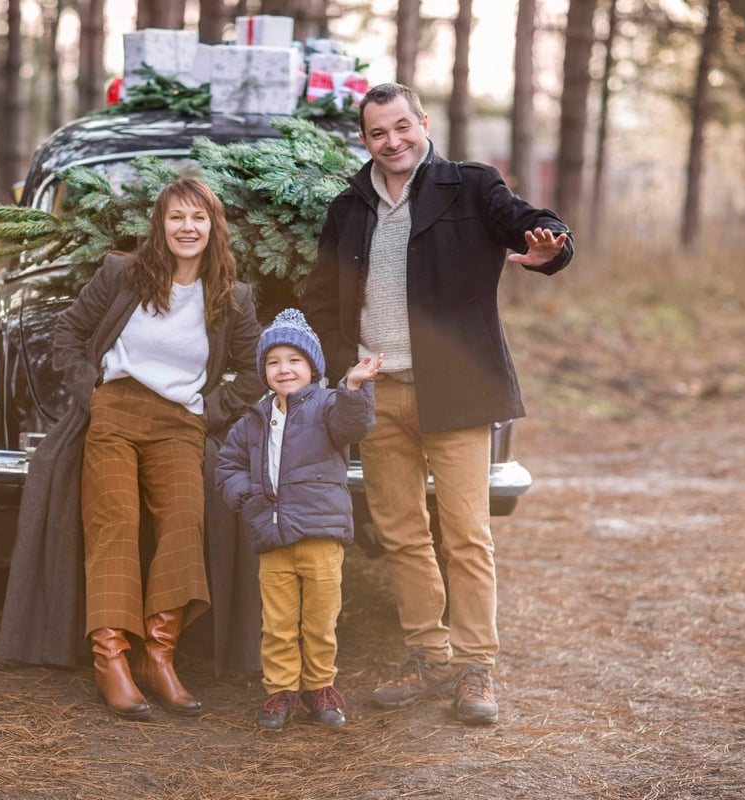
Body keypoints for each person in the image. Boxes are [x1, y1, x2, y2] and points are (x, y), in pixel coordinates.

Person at [302, 83, 574, 726]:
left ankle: (476, 667)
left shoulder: (471, 186)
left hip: (454, 391)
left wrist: (548, 248)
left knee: (466, 534)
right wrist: (346, 366)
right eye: (377, 133)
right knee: (400, 533)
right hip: (378, 392)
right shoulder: (349, 205)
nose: (393, 142)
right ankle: (428, 655)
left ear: (422, 123)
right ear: (364, 139)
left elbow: (535, 225)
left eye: (402, 127)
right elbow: (321, 296)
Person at [0, 177, 263, 721]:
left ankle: (158, 656)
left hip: (180, 425)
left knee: (186, 519)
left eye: (198, 219)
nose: (187, 228)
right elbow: (67, 335)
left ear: (214, 228)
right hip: (114, 412)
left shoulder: (231, 297)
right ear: (160, 225)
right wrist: (91, 394)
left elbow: (258, 370)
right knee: (113, 522)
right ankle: (111, 658)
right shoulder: (122, 274)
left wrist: (209, 410)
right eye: (176, 218)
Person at [216, 309, 381, 730]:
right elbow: (228, 464)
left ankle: (320, 687)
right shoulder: (255, 418)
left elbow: (355, 424)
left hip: (320, 534)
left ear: (312, 367)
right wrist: (246, 495)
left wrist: (355, 386)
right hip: (272, 537)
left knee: (321, 620)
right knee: (277, 623)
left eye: (294, 360)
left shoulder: (328, 406)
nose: (283, 369)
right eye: (273, 362)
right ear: (263, 370)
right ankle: (281, 691)